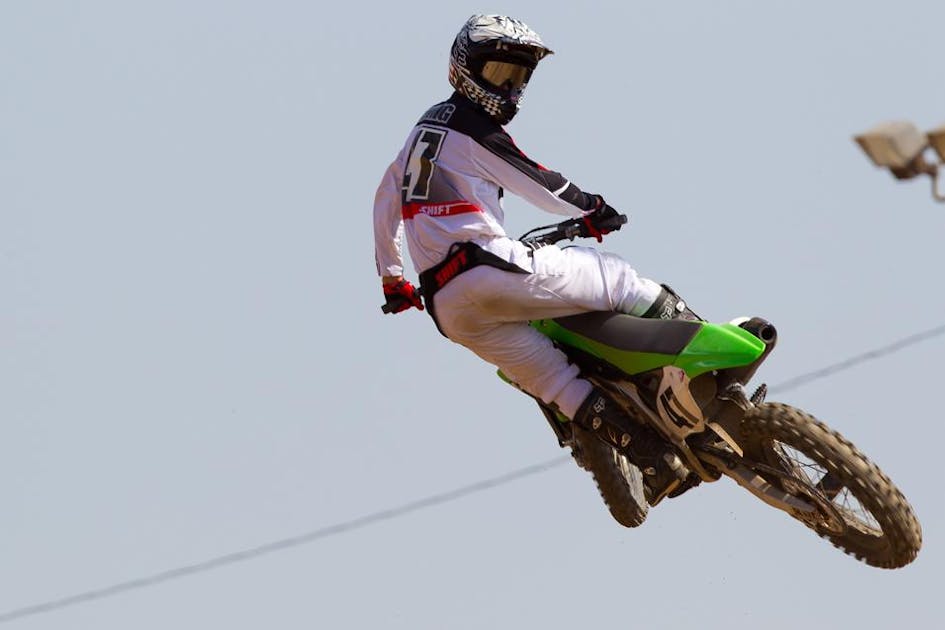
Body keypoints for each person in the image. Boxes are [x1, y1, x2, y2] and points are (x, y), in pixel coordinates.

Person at [373, 14, 696, 505]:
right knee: (619, 279)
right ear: (463, 67)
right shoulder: (474, 129)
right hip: (488, 266)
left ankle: (656, 462)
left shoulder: (423, 129)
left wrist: (393, 277)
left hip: (447, 307)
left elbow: (384, 200)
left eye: (517, 76)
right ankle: (704, 363)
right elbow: (541, 184)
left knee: (558, 382)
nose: (508, 88)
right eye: (498, 73)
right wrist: (594, 208)